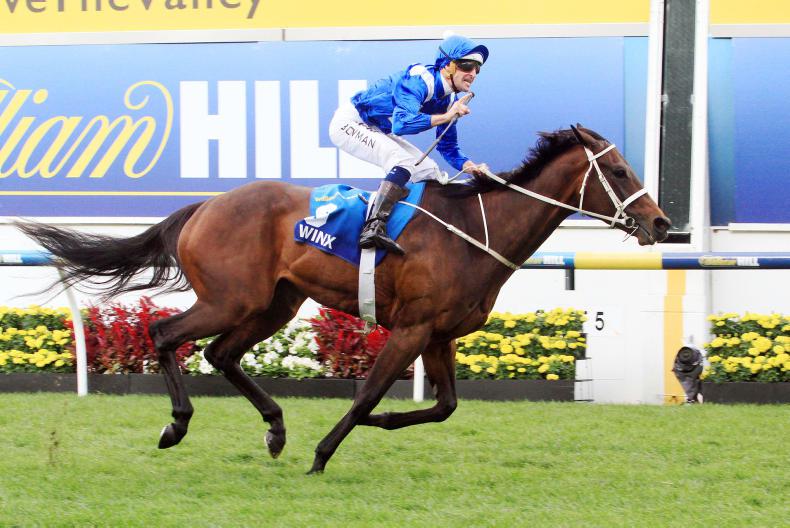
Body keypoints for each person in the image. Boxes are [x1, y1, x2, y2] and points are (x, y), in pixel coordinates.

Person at [329, 34, 491, 255]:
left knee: (429, 170)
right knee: (402, 161)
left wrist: (469, 167)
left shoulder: (450, 100)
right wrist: (446, 116)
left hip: (377, 127)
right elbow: (401, 124)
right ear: (448, 65)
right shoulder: (419, 79)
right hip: (350, 122)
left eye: (477, 68)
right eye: (467, 65)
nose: (473, 73)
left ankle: (419, 229)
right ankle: (373, 227)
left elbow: (448, 147)